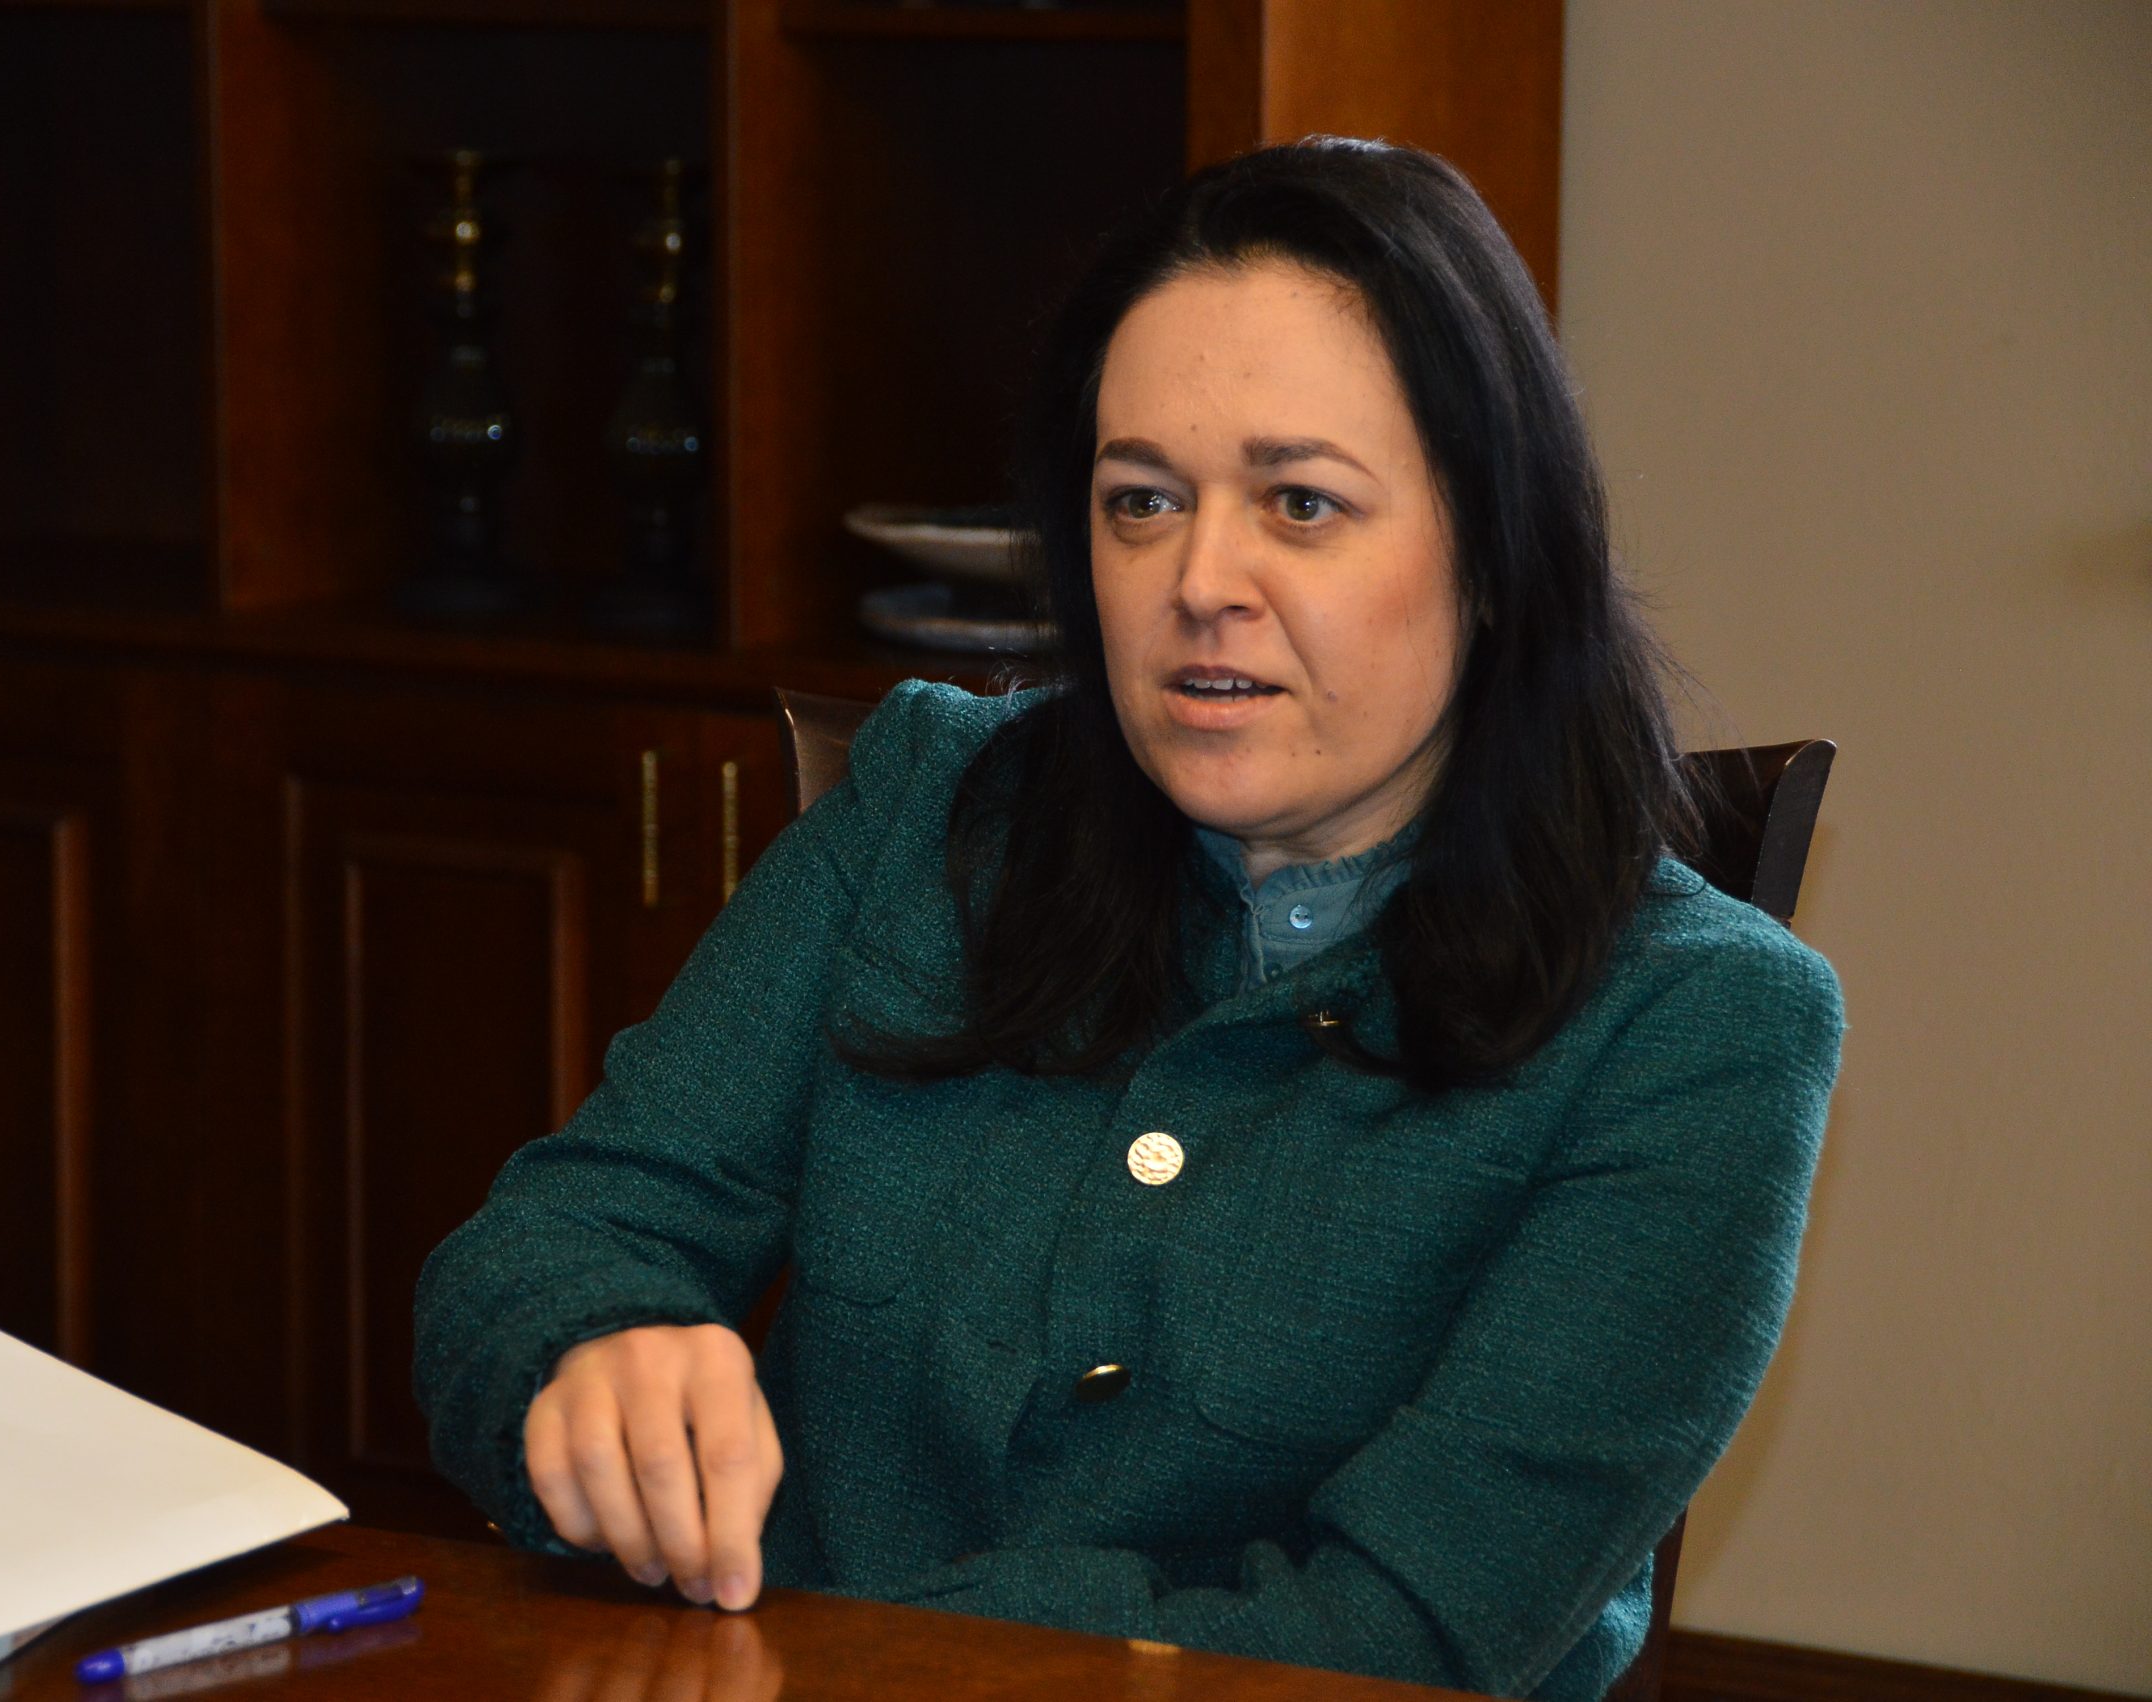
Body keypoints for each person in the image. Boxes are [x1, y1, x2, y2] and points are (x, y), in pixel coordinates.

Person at [414, 137, 1843, 1701]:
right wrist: (590, 1345)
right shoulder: (934, 808)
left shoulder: (1704, 1028)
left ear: (1499, 549)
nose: (1199, 578)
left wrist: (857, 1650)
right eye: (1141, 500)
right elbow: (547, 1246)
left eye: (1301, 502)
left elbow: (1398, 1636)